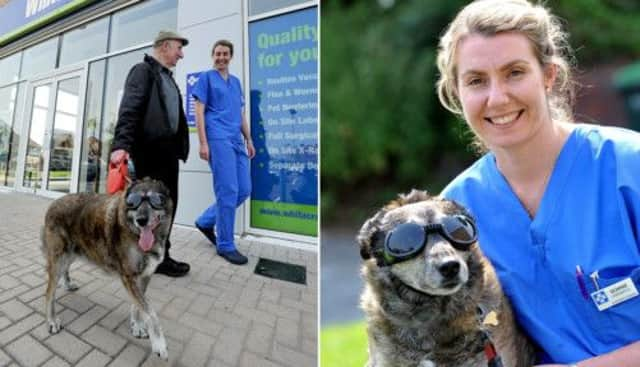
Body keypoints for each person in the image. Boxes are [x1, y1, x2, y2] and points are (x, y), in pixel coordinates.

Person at [437, 1, 640, 366]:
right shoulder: (455, 214)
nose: (497, 98)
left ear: (548, 75)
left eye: (514, 72)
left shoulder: (628, 167)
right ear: (456, 92)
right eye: (476, 80)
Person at [110, 30, 191, 277]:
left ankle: (159, 255)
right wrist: (121, 145)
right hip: (150, 153)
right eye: (178, 48)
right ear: (165, 46)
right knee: (149, 209)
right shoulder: (143, 71)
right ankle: (146, 257)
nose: (181, 54)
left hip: (167, 154)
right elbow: (130, 109)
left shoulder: (167, 77)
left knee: (166, 207)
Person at [192, 39, 255, 265]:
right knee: (227, 189)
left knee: (244, 189)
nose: (221, 57)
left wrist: (249, 139)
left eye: (225, 54)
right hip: (217, 137)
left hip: (236, 140)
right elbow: (199, 112)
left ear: (231, 56)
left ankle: (206, 220)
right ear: (213, 55)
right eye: (217, 53)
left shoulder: (236, 83)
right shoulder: (206, 79)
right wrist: (203, 142)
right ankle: (225, 244)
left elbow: (240, 115)